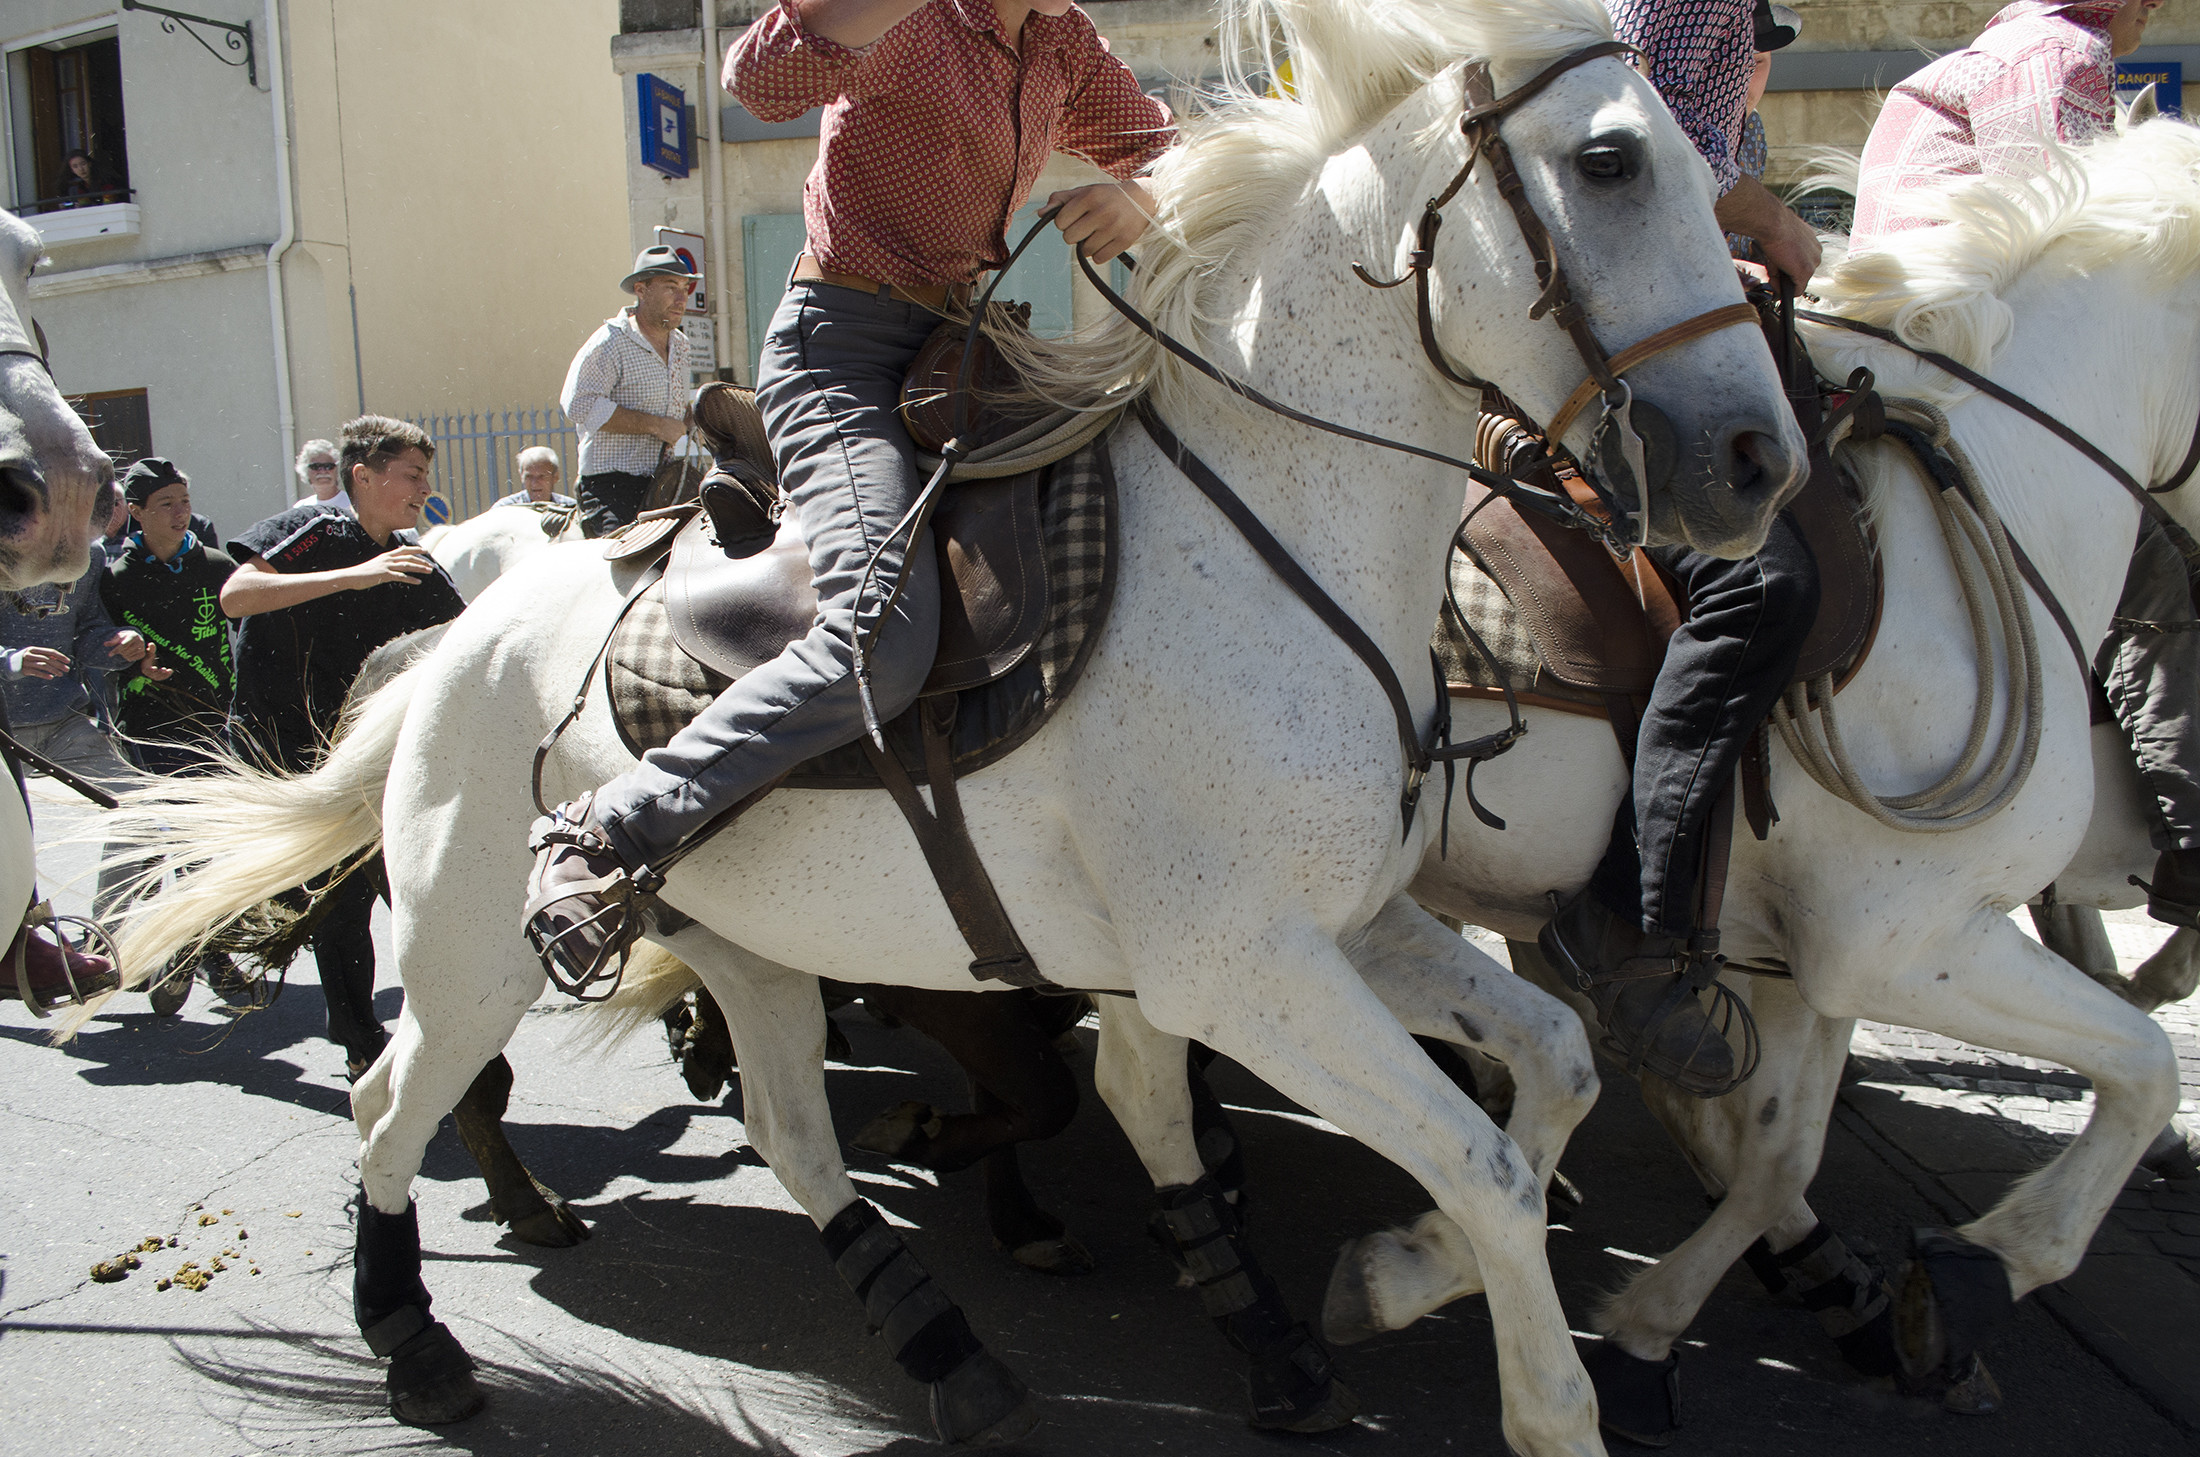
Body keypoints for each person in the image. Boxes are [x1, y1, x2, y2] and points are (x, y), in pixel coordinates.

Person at [523, 0, 1172, 991]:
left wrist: (1144, 197)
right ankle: (611, 824)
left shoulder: (1061, 40)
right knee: (880, 640)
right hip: (841, 353)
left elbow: (1162, 149)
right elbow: (758, 81)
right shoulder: (915, 21)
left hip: (966, 354)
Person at [1845, 0, 2200, 925]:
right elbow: (2072, 241)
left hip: (1912, 351)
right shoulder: (2065, 51)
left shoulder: (1982, 55)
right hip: (1977, 372)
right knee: (2161, 581)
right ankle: (2193, 836)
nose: (2155, 6)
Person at [1528, 0, 1824, 1097]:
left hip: (1666, 338)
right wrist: (1762, 216)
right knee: (1762, 585)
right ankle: (1630, 917)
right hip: (1605, 361)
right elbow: (1622, 134)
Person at [223, 416, 466, 1078]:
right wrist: (354, 576)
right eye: (411, 475)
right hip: (289, 752)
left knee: (412, 894)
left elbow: (468, 635)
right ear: (362, 475)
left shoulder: (411, 559)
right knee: (342, 901)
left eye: (425, 476)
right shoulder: (319, 532)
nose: (423, 488)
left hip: (368, 766)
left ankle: (431, 1034)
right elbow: (235, 594)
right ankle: (362, 1044)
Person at [1851, 0, 2161, 251]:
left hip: (1919, 312)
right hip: (1935, 318)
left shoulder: (2032, 43)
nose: (2155, 2)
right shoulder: (2056, 50)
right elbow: (2062, 233)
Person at [0, 541, 168, 992]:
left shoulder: (86, 556)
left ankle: (108, 933)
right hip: (2, 729)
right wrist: (10, 661)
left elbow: (88, 633)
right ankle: (7, 947)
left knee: (138, 808)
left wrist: (120, 642)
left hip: (62, 721)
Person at [100, 459, 238, 775]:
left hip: (215, 721)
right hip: (148, 727)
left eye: (185, 502)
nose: (180, 513)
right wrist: (136, 663)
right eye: (166, 504)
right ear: (136, 512)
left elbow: (251, 633)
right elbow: (98, 647)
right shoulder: (117, 578)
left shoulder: (217, 567)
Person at [559, 249, 696, 537]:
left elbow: (677, 412)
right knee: (624, 566)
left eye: (685, 289)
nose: (682, 299)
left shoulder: (681, 345)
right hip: (611, 484)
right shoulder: (610, 341)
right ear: (641, 290)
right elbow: (578, 404)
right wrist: (656, 426)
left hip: (663, 480)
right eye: (671, 288)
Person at [492, 447, 576, 508]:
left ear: (555, 477)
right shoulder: (506, 508)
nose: (534, 483)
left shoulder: (569, 507)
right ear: (521, 476)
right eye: (529, 477)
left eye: (541, 476)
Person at [293, 438, 351, 514]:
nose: (323, 471)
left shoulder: (352, 504)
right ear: (306, 471)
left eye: (328, 466)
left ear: (337, 470)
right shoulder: (301, 508)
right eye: (316, 466)